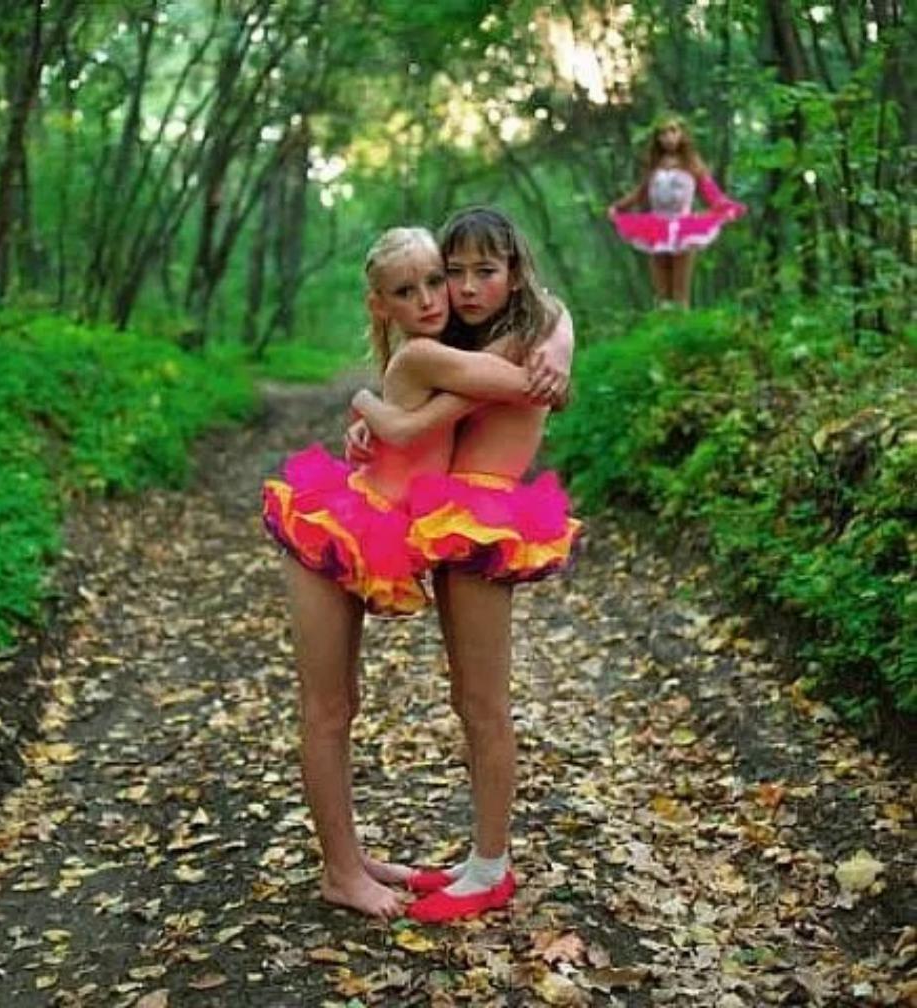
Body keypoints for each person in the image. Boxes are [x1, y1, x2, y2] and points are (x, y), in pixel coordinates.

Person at [261, 225, 572, 919]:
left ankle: (354, 858)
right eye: (411, 290)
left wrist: (558, 336)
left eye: (439, 281)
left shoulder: (434, 352)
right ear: (381, 306)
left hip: (375, 527)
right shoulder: (426, 354)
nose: (436, 297)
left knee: (346, 704)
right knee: (329, 706)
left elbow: (449, 412)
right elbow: (516, 385)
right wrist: (554, 350)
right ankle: (340, 871)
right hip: (336, 529)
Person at [347, 206, 581, 923]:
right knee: (465, 698)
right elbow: (429, 418)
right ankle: (481, 853)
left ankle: (492, 867)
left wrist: (367, 402)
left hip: (485, 520)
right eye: (457, 272)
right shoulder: (495, 343)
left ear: (514, 275)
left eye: (487, 270)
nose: (468, 287)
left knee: (484, 702)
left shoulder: (524, 344)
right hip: (450, 519)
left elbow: (434, 411)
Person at [608, 114, 745, 309]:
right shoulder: (654, 165)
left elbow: (710, 192)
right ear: (657, 138)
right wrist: (619, 207)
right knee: (661, 284)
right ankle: (663, 322)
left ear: (682, 134)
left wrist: (728, 207)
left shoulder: (693, 163)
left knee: (681, 284)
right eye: (663, 133)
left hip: (683, 226)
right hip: (656, 226)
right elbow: (640, 193)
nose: (668, 137)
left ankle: (682, 322)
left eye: (673, 131)